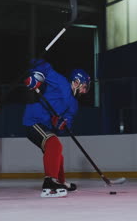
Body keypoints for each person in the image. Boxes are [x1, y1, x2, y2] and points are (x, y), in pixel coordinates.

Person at [22, 59, 91, 198]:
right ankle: (50, 182)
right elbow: (44, 67)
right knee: (54, 144)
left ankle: (60, 181)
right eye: (84, 87)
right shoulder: (61, 82)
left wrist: (61, 124)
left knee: (57, 153)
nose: (84, 91)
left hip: (45, 125)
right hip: (34, 120)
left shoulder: (74, 105)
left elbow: (66, 124)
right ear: (76, 82)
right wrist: (36, 77)